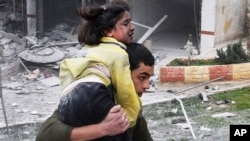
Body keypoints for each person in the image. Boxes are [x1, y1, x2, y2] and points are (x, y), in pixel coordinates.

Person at [36, 42, 155, 141]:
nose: (147, 86)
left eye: (149, 78)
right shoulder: (93, 97)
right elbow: (45, 135)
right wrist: (103, 128)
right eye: (142, 77)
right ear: (123, 75)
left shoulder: (132, 106)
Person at [57, 1, 139, 140]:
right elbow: (126, 94)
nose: (132, 27)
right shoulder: (118, 53)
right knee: (118, 132)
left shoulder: (85, 51)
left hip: (65, 105)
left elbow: (65, 73)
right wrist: (128, 120)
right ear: (108, 31)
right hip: (92, 94)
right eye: (126, 24)